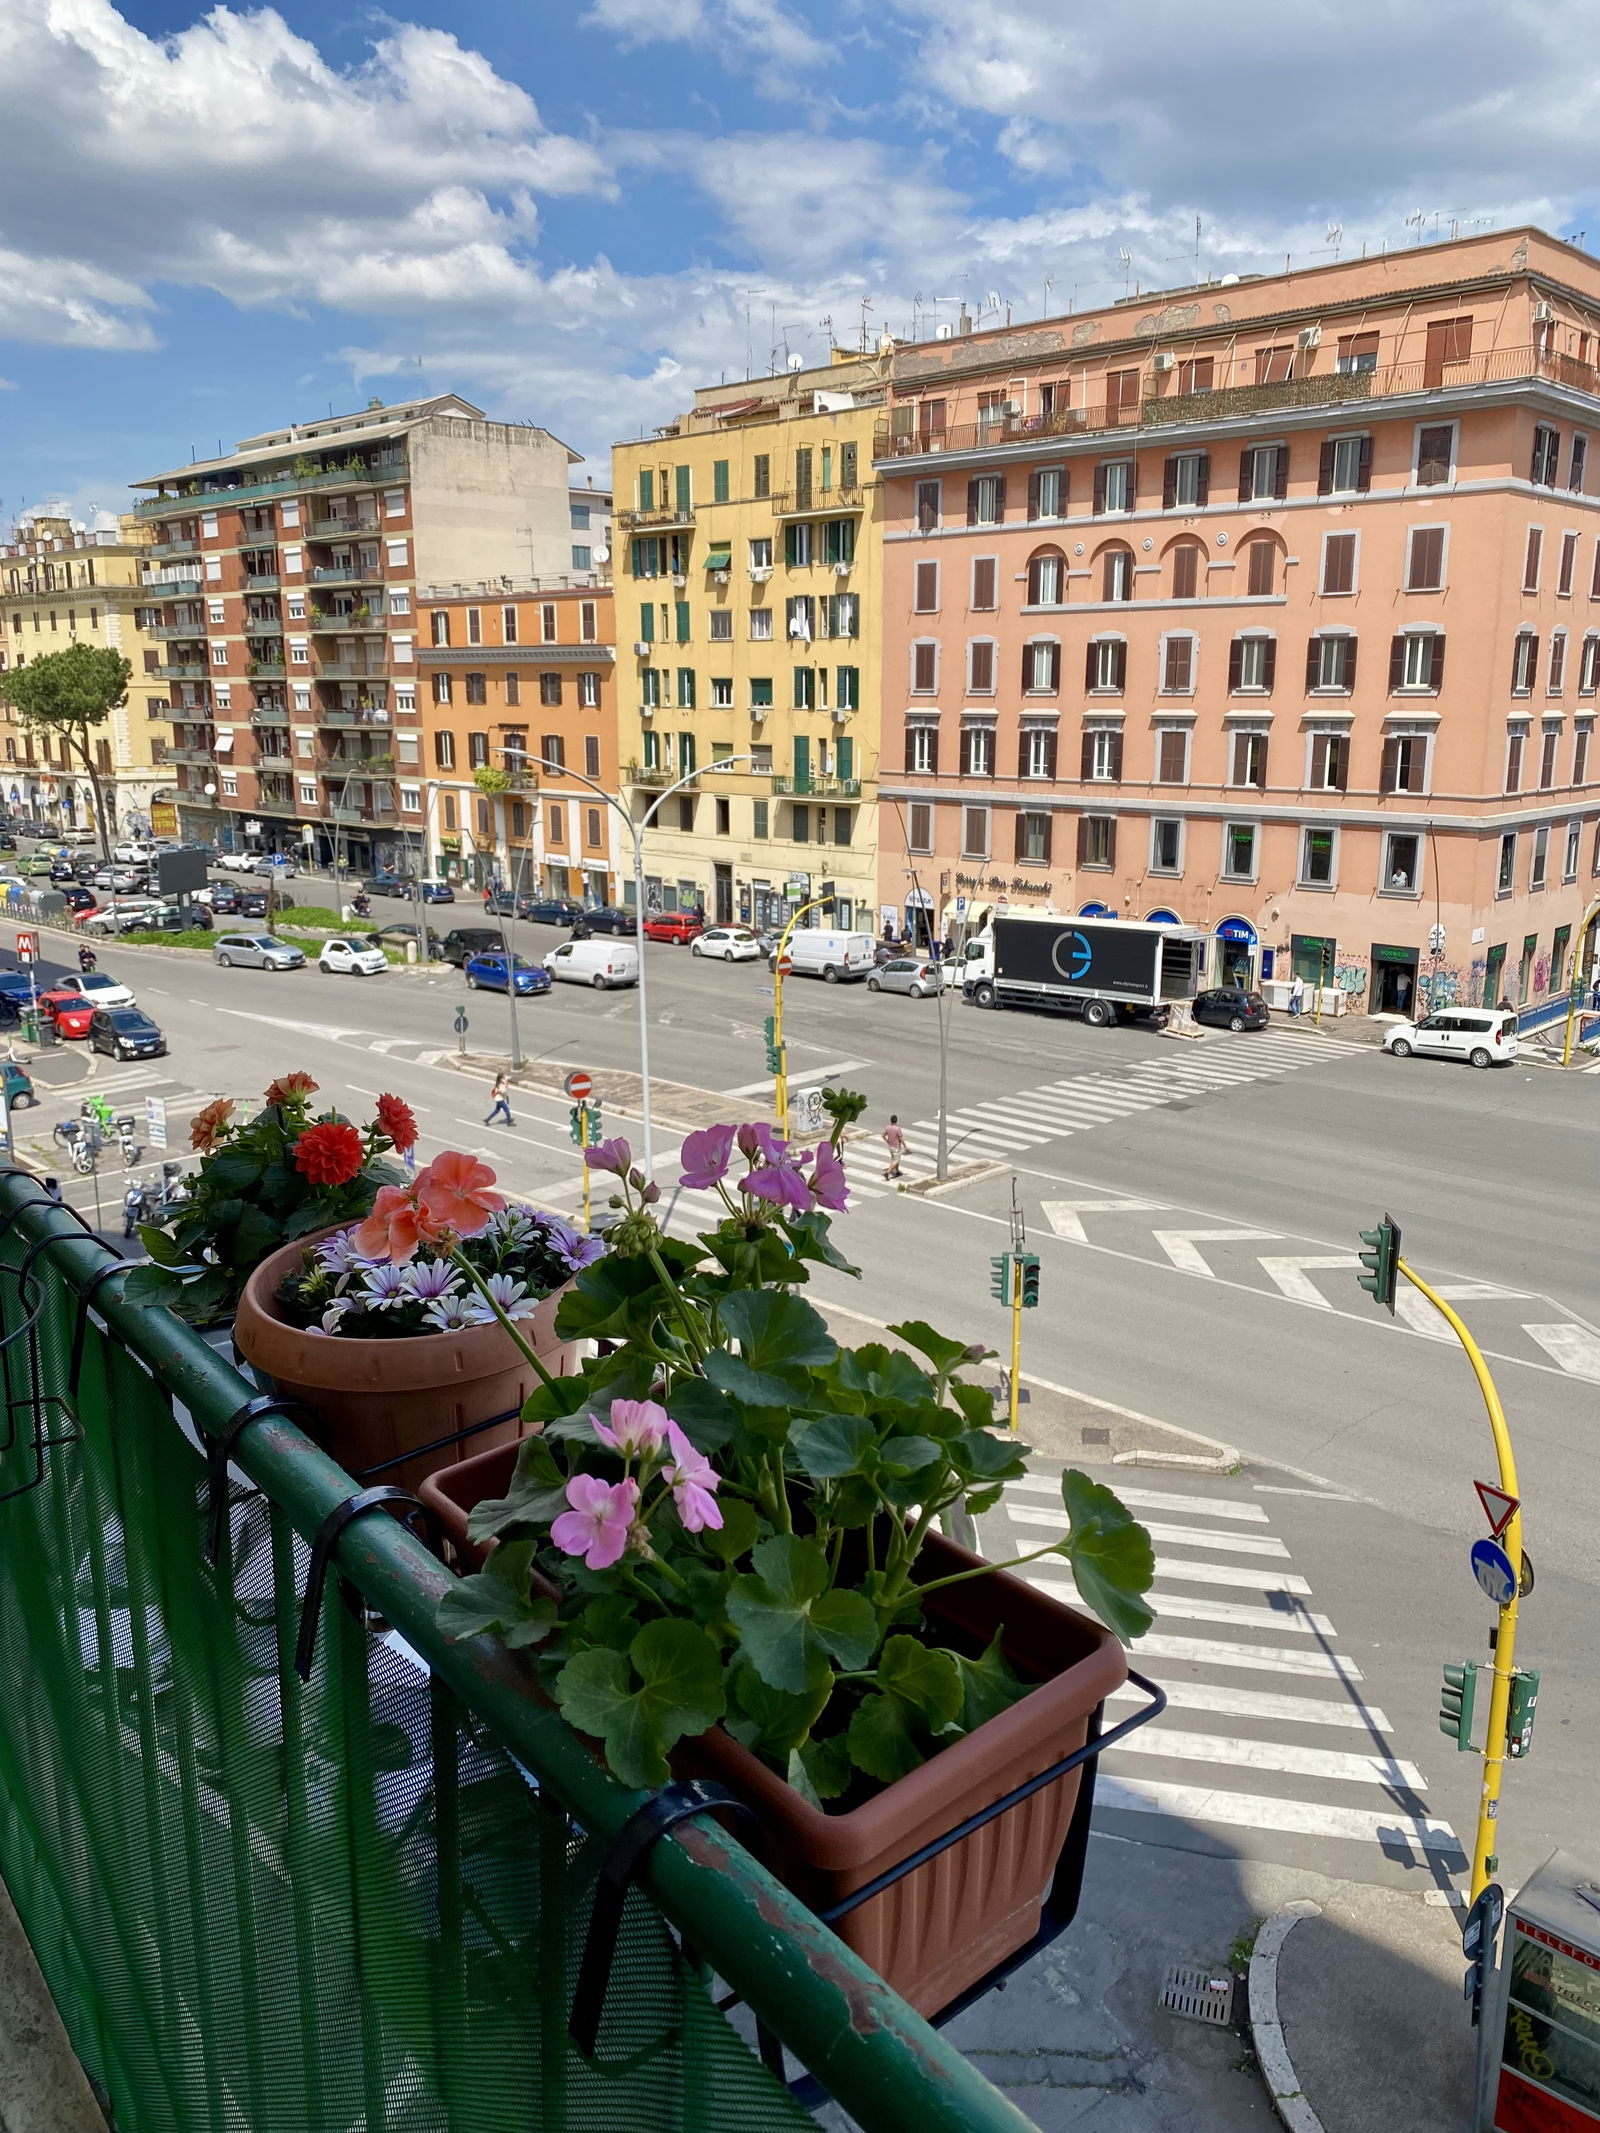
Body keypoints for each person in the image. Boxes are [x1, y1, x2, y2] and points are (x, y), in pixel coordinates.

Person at [881, 1113, 907, 1181]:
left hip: (890, 1147)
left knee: (895, 1159)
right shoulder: (897, 1128)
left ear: (891, 1120)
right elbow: (901, 1138)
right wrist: (905, 1146)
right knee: (896, 1160)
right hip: (896, 1147)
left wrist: (887, 1141)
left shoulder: (887, 1127)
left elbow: (883, 1135)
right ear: (896, 1121)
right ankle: (888, 1172)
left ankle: (897, 1172)